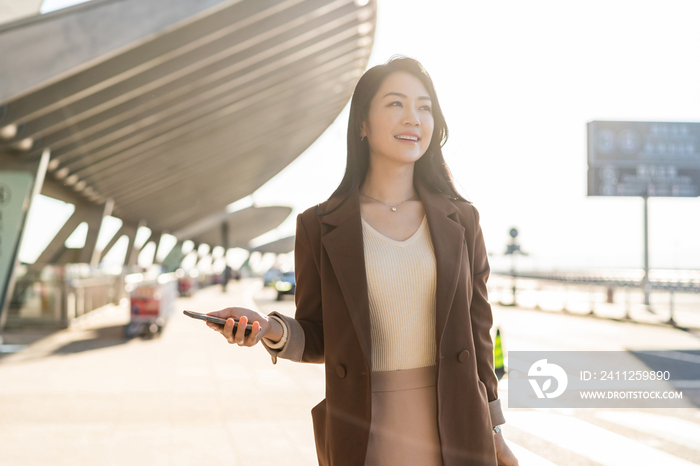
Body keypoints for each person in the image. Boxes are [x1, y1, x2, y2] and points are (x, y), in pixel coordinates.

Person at [204, 56, 519, 466]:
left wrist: (494, 432)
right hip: (366, 434)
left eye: (424, 107)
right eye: (395, 104)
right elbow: (320, 334)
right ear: (363, 125)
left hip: (459, 430)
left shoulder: (461, 220)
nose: (413, 118)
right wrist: (268, 328)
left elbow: (479, 336)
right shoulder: (319, 226)